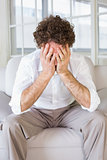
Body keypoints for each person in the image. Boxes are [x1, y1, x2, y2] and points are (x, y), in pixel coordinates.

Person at [3, 15, 106, 160]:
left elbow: (92, 104)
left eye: (61, 50)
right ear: (41, 47)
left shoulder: (78, 61)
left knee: (99, 120)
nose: (55, 57)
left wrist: (64, 72)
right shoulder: (28, 62)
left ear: (68, 47)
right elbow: (17, 108)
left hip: (68, 110)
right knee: (10, 124)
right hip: (37, 112)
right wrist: (46, 74)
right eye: (50, 52)